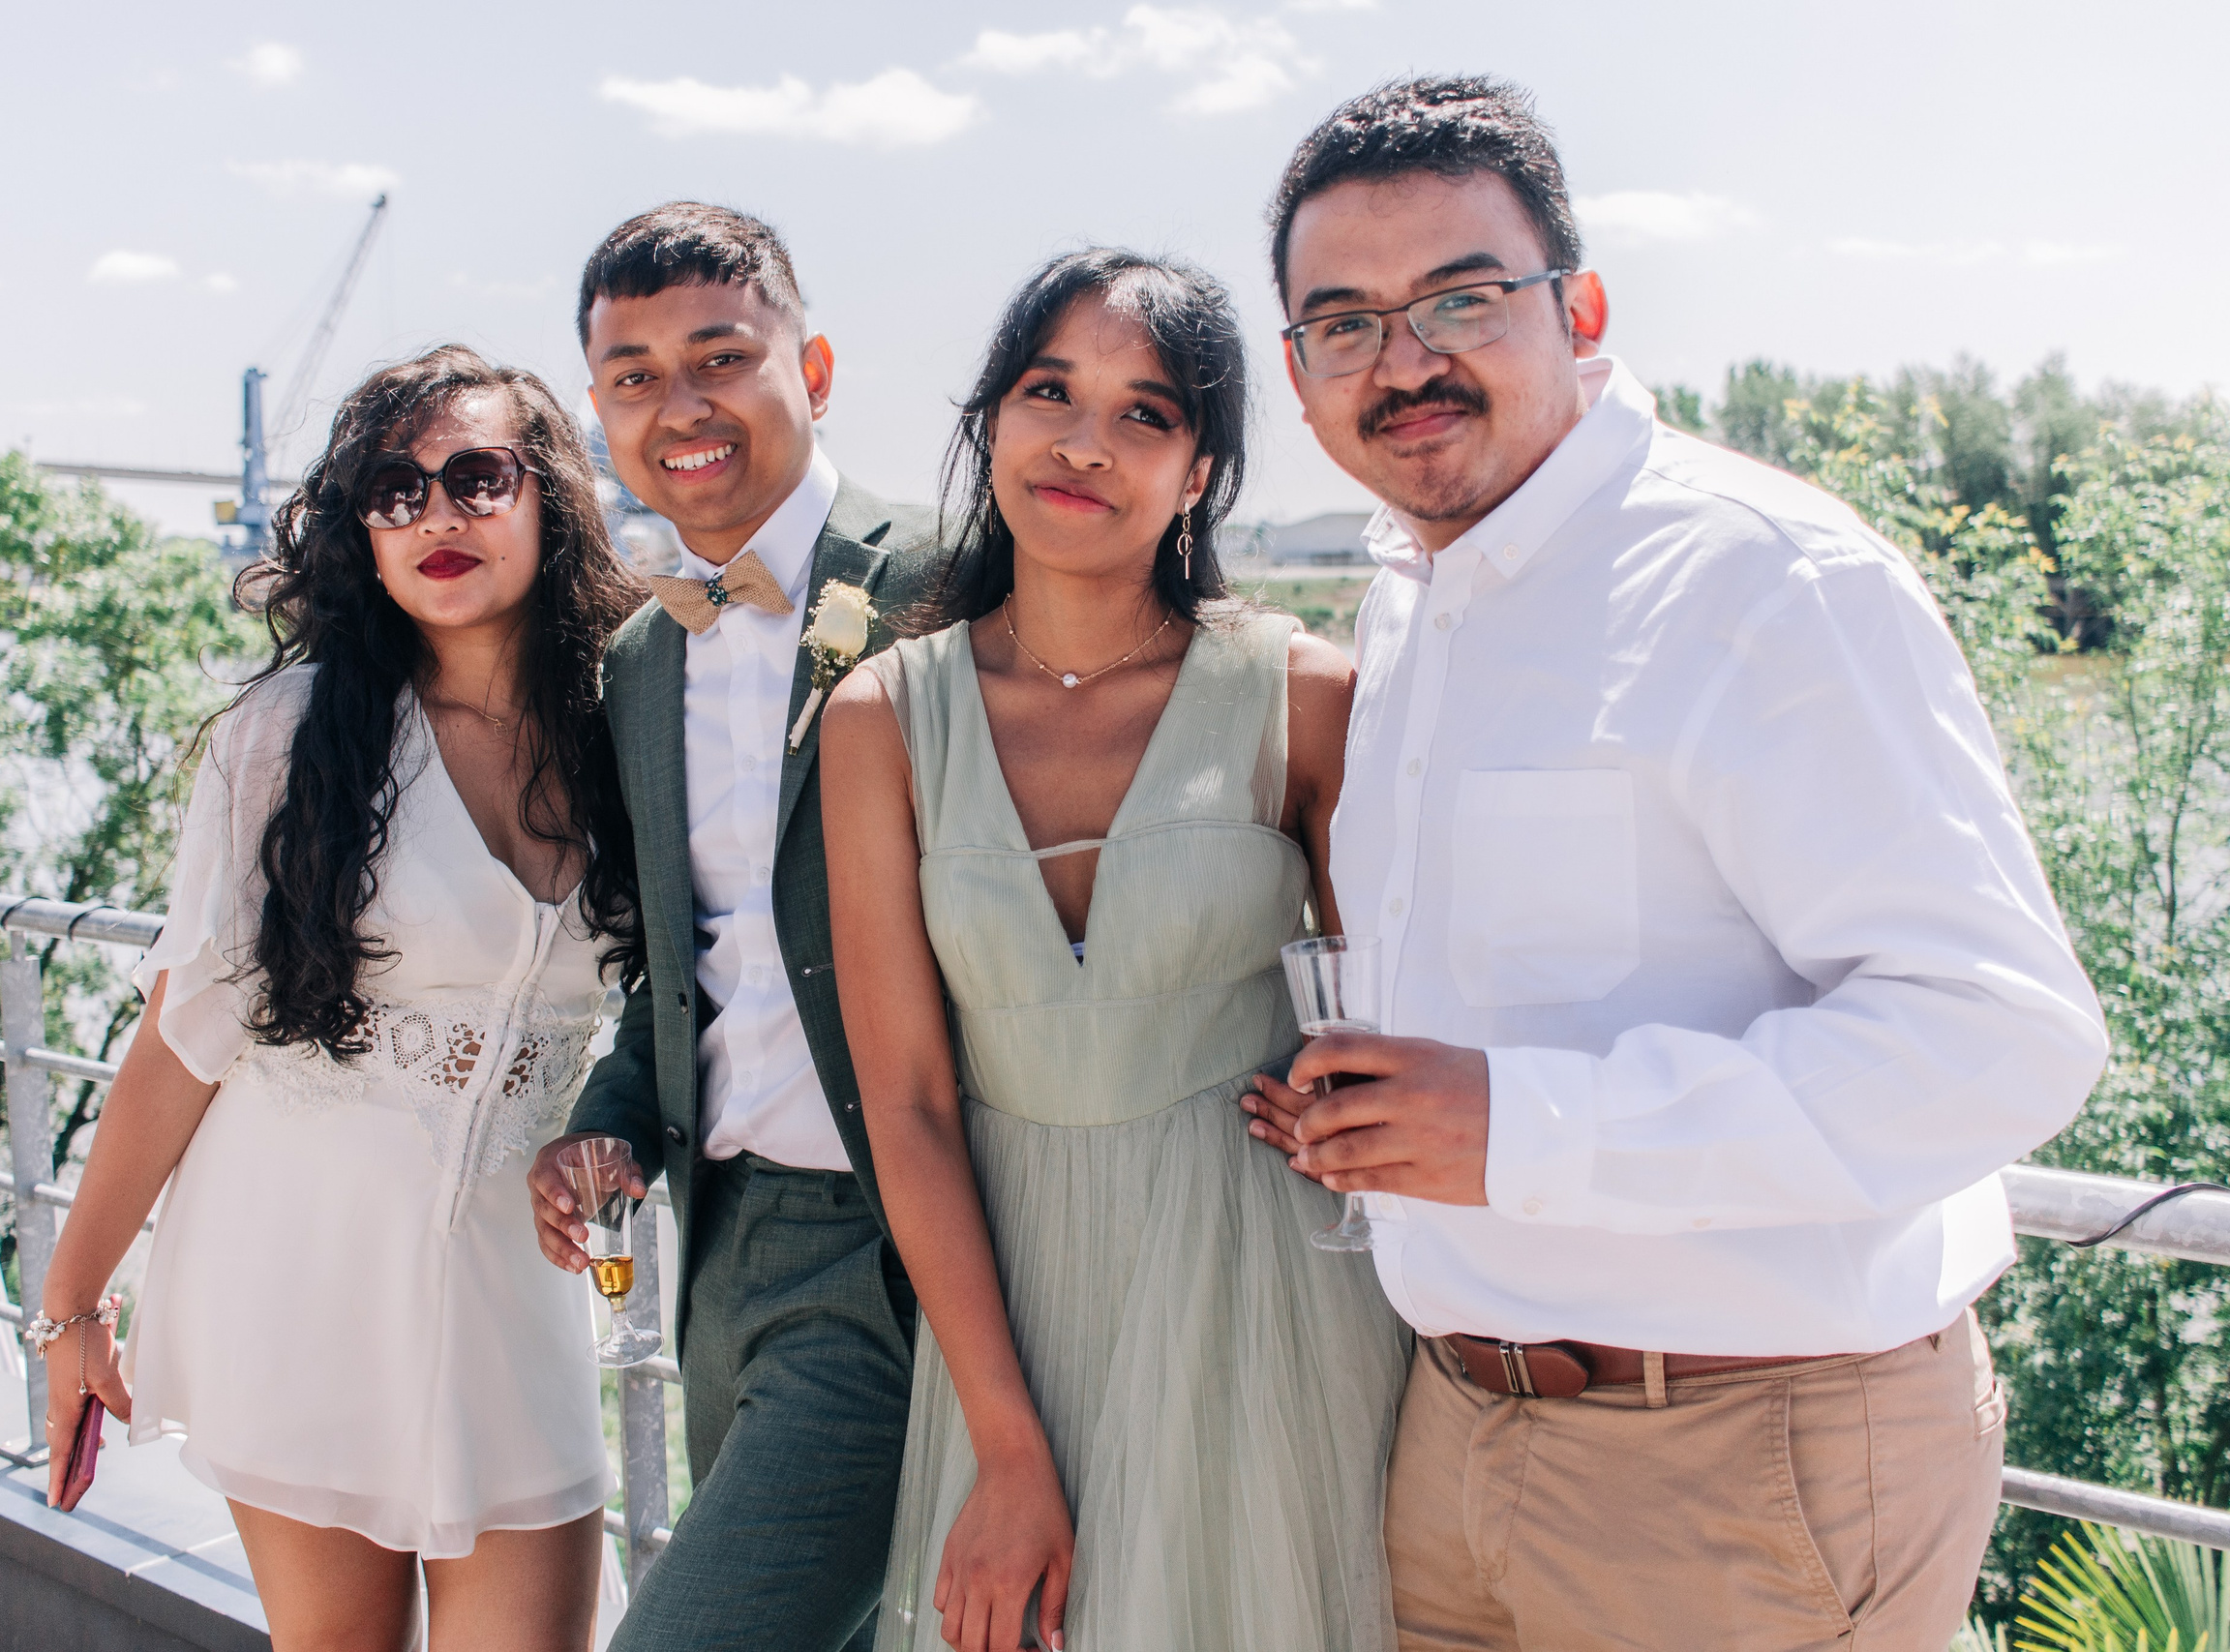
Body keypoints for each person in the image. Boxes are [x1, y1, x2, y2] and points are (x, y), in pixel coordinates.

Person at [1237, 76, 2109, 1650]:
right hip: (1450, 1433)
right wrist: (1373, 1125)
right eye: (1345, 322)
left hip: (1739, 1455)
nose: (1404, 358)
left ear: (1580, 306)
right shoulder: (1412, 601)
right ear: (1297, 371)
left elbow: (1998, 1042)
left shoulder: (1764, 583)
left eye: (1458, 298)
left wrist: (1520, 1127)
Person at [824, 249, 1410, 1652]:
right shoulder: (884, 718)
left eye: (1145, 414)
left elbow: (1410, 1008)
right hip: (1007, 1317)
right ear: (991, 422)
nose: (1084, 444)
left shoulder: (1305, 695)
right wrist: (1007, 1449)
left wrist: (1350, 1104)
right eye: (1048, 393)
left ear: (1202, 469)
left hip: (1271, 1302)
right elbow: (904, 1100)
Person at [37, 345, 645, 1651]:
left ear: (550, 497)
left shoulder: (626, 732)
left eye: (477, 478)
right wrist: (73, 1304)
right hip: (298, 1271)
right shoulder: (292, 736)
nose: (435, 515)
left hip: (514, 1296)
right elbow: (183, 1035)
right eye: (394, 488)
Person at [524, 203, 940, 1652]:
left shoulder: (951, 591)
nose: (677, 407)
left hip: (904, 1255)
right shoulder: (643, 655)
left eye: (720, 357)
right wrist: (612, 1119)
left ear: (811, 367)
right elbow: (683, 969)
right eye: (632, 376)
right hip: (723, 1250)